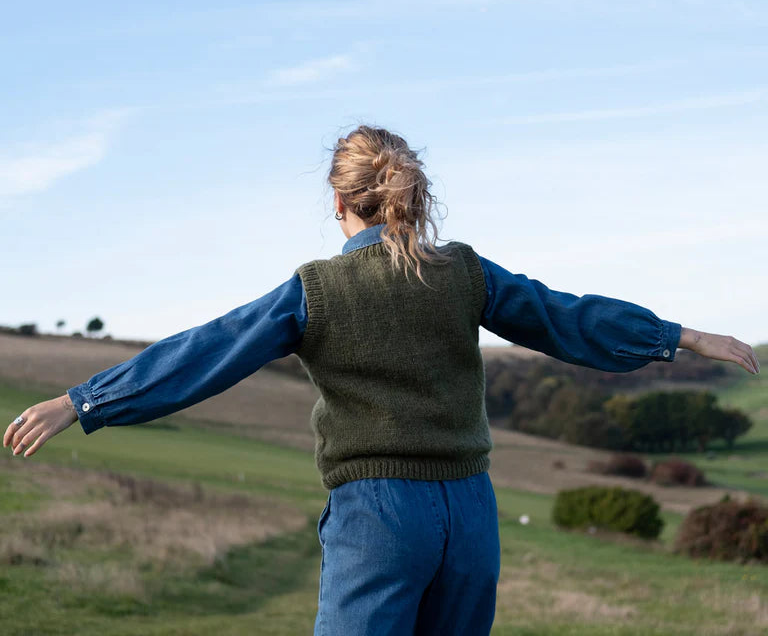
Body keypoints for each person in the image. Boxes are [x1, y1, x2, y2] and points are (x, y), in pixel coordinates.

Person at [3, 124, 761, 635]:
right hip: (471, 515)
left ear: (337, 202)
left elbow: (209, 351)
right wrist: (681, 337)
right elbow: (567, 317)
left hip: (378, 516)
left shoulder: (317, 290)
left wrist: (84, 400)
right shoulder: (463, 271)